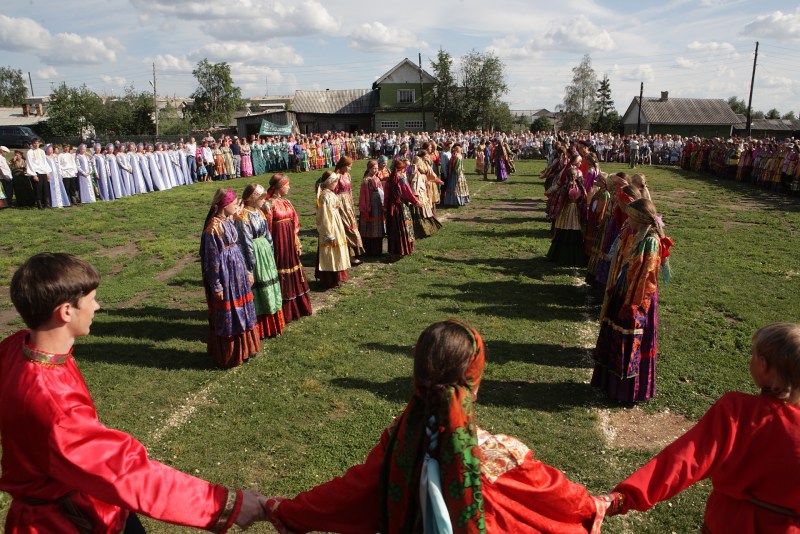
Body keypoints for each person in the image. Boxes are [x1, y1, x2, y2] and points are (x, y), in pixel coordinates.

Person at [0, 252, 267, 533]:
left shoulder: (17, 347)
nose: (97, 306)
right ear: (66, 312)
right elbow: (127, 474)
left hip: (78, 499)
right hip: (65, 521)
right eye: (91, 300)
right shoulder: (54, 403)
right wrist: (226, 504)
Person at [262, 320, 607, 533]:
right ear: (475, 381)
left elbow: (347, 493)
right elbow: (561, 496)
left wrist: (282, 510)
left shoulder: (399, 442)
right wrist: (606, 502)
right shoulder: (497, 455)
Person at [603, 322, 800, 533]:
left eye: (753, 355)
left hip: (729, 524)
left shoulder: (739, 411)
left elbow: (684, 460)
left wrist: (624, 498)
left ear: (764, 365)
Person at [591, 198, 673, 402]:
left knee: (630, 337)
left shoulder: (650, 241)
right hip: (625, 289)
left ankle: (629, 390)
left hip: (637, 297)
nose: (627, 219)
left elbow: (646, 276)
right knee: (615, 332)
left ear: (640, 219)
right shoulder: (636, 233)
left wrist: (632, 304)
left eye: (631, 217)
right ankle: (609, 384)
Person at [200, 188, 262, 368]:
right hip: (226, 278)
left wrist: (247, 272)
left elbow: (237, 248)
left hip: (237, 275)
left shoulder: (227, 221)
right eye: (234, 203)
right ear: (225, 205)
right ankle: (231, 354)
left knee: (243, 310)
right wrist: (217, 286)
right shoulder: (213, 229)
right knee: (231, 313)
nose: (237, 206)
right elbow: (211, 261)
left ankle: (247, 349)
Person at [235, 183, 285, 339]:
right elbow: (246, 243)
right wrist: (250, 266)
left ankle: (274, 322)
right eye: (261, 197)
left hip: (264, 252)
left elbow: (268, 235)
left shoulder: (260, 212)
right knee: (260, 286)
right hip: (255, 253)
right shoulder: (243, 216)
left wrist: (271, 252)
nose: (264, 200)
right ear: (252, 199)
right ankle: (262, 325)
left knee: (270, 283)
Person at [264, 174, 313, 322]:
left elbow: (295, 221)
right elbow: (268, 227)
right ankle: (285, 309)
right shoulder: (269, 205)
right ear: (279, 187)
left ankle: (298, 306)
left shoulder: (287, 202)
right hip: (279, 243)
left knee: (294, 269)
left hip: (289, 241)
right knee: (282, 270)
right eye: (287, 185)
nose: (289, 187)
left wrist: (295, 238)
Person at [315, 171, 350, 289]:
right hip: (331, 225)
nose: (337, 183)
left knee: (337, 250)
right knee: (330, 251)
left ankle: (337, 276)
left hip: (336, 222)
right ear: (329, 182)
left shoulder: (330, 193)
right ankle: (330, 278)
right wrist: (328, 232)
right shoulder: (325, 195)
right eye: (335, 181)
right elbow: (324, 215)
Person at [384, 158, 422, 258]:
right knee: (404, 227)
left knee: (394, 229)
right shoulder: (402, 178)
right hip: (401, 207)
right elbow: (407, 192)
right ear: (402, 168)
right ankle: (405, 248)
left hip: (391, 207)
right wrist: (416, 201)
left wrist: (385, 207)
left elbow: (386, 195)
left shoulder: (389, 179)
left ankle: (394, 250)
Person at [332, 156, 365, 264]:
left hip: (347, 204)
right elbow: (333, 193)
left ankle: (353, 252)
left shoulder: (348, 175)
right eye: (349, 166)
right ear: (343, 166)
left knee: (352, 226)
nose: (350, 168)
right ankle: (347, 256)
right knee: (345, 228)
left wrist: (351, 202)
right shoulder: (336, 176)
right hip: (340, 204)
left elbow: (350, 190)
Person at [357, 159, 385, 257]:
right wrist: (366, 209)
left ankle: (377, 250)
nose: (375, 170)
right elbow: (364, 196)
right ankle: (370, 250)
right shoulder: (366, 180)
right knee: (370, 227)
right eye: (373, 168)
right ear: (369, 169)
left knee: (377, 227)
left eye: (377, 168)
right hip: (370, 205)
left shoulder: (376, 178)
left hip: (378, 205)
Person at [25, 138, 50, 209]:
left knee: (45, 188)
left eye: (37, 143)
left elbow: (45, 162)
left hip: (43, 172)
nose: (36, 145)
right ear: (32, 144)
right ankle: (39, 204)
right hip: (36, 172)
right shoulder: (30, 152)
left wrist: (47, 173)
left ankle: (46, 203)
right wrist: (34, 174)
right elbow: (30, 164)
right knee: (38, 189)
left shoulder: (42, 151)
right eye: (34, 143)